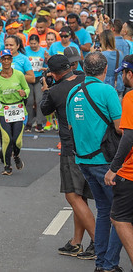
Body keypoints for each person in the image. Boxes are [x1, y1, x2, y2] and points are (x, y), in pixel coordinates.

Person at [66, 52, 123, 272]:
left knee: (104, 211)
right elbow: (120, 127)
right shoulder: (107, 90)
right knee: (120, 215)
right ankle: (108, 264)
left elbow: (71, 127)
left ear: (83, 68)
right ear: (105, 69)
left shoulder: (73, 92)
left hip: (83, 160)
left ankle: (101, 263)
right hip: (106, 161)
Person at [40, 54, 96, 260]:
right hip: (95, 145)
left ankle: (98, 241)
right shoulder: (84, 79)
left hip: (72, 146)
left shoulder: (55, 91)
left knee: (72, 194)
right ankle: (76, 242)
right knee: (80, 196)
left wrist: (46, 88)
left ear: (53, 73)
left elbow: (45, 109)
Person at [106, 56, 133, 265]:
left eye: (123, 74)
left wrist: (114, 168)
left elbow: (129, 136)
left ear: (129, 74)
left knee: (119, 218)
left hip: (130, 173)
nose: (123, 78)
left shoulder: (130, 97)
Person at [0, 49, 30, 175]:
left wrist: (24, 93)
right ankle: (7, 166)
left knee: (17, 141)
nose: (6, 61)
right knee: (6, 139)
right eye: (4, 59)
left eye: (8, 59)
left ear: (12, 60)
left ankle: (16, 156)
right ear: (0, 60)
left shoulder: (19, 75)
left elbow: (27, 89)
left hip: (18, 109)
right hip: (3, 110)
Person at [25, 34, 47, 132]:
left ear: (38, 43)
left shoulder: (43, 51)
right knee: (29, 101)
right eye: (31, 43)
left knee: (39, 100)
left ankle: (39, 123)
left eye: (35, 43)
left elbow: (47, 65)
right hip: (29, 78)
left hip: (39, 78)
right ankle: (28, 122)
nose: (33, 45)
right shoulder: (25, 50)